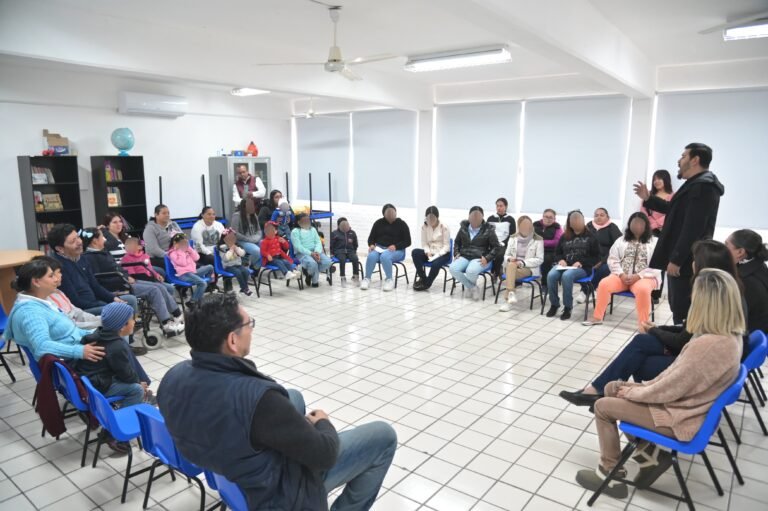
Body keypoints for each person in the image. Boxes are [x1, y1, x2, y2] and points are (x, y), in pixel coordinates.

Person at [157, 293, 397, 510]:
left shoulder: (173, 377)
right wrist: (324, 423)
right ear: (232, 340)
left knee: (294, 396)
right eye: (249, 324)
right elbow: (325, 455)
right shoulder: (260, 398)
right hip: (279, 493)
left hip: (227, 473)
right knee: (384, 436)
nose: (252, 329)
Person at [574, 268, 744, 498]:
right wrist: (635, 389)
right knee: (613, 387)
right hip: (688, 406)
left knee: (602, 406)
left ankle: (610, 474)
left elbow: (671, 388)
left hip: (682, 417)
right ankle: (649, 458)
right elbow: (675, 376)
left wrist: (634, 393)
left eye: (695, 294)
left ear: (706, 302)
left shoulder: (708, 345)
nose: (690, 298)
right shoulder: (726, 335)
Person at [560, 240, 747, 408]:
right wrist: (655, 329)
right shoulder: (727, 289)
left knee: (639, 361)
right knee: (642, 342)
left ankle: (611, 399)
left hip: (696, 364)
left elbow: (682, 340)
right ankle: (599, 392)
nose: (691, 263)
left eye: (695, 260)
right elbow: (688, 331)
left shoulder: (711, 296)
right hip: (696, 352)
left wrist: (655, 330)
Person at [634, 142, 724, 325]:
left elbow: (693, 227)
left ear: (695, 160)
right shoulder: (693, 184)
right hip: (682, 257)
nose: (679, 160)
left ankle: (679, 348)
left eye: (683, 156)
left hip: (686, 260)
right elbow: (673, 208)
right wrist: (648, 199)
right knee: (678, 305)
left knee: (682, 307)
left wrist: (677, 259)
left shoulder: (704, 186)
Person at [80, 228, 184, 336]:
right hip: (117, 286)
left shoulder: (103, 252)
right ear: (95, 241)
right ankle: (167, 324)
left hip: (124, 280)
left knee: (160, 286)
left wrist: (126, 276)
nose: (104, 239)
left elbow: (118, 268)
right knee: (154, 290)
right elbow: (99, 279)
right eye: (102, 236)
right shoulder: (89, 258)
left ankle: (177, 315)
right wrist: (123, 278)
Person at [4, 258, 105, 362]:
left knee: (115, 338)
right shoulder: (30, 312)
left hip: (80, 345)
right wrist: (79, 351)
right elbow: (42, 346)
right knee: (117, 347)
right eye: (51, 276)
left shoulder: (44, 301)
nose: (56, 279)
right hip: (73, 359)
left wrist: (96, 331)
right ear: (36, 282)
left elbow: (72, 329)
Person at [582, 213, 660, 328]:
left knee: (643, 289)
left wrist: (638, 276)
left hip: (645, 278)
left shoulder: (655, 242)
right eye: (635, 223)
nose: (637, 226)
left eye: (640, 223)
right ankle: (597, 317)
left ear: (646, 225)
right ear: (629, 225)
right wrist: (621, 274)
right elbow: (612, 259)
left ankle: (644, 324)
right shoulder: (621, 240)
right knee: (604, 284)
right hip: (621, 276)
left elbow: (658, 265)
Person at [73, 302, 155, 408]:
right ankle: (126, 415)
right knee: (136, 390)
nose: (134, 322)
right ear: (122, 326)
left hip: (89, 379)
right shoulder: (117, 346)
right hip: (96, 387)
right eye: (132, 319)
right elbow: (126, 374)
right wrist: (139, 383)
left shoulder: (96, 334)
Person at [47, 224, 138, 316]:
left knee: (130, 300)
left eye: (78, 237)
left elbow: (95, 286)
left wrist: (113, 298)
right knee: (119, 309)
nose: (79, 242)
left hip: (95, 301)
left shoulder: (81, 258)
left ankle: (127, 329)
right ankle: (118, 329)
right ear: (60, 249)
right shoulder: (57, 268)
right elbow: (74, 301)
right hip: (81, 310)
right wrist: (104, 304)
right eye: (73, 241)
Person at [545, 210, 600, 320]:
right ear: (569, 223)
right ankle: (554, 304)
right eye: (572, 221)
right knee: (551, 275)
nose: (575, 223)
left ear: (583, 221)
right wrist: (561, 260)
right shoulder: (565, 236)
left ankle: (567, 307)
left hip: (583, 268)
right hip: (565, 265)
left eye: (578, 220)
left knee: (567, 276)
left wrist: (581, 262)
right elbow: (557, 253)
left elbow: (596, 257)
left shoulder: (591, 237)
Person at [449, 206, 502, 301]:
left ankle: (469, 287)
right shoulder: (463, 227)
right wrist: (456, 252)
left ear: (482, 217)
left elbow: (496, 247)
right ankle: (471, 287)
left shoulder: (488, 229)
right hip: (464, 256)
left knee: (471, 271)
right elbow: (457, 242)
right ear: (469, 217)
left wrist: (487, 258)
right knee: (453, 268)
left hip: (480, 257)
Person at [39, 255, 101, 329]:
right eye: (58, 272)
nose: (61, 275)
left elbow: (77, 312)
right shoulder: (46, 301)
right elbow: (68, 326)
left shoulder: (59, 292)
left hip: (81, 325)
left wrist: (99, 320)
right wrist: (99, 324)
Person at [361, 204, 412, 292]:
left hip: (397, 250)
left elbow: (408, 241)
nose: (391, 216)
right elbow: (371, 238)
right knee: (371, 256)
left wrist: (396, 246)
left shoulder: (402, 224)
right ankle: (367, 278)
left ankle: (389, 280)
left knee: (385, 256)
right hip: (380, 248)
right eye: (388, 214)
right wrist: (372, 245)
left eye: (393, 213)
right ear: (384, 214)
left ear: (396, 213)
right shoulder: (378, 223)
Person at [726, 229, 768, 332]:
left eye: (726, 245)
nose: (723, 249)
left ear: (740, 252)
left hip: (746, 336)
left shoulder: (745, 282)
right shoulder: (760, 266)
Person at [499, 216, 544, 311]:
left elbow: (540, 259)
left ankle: (509, 297)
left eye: (528, 225)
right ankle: (511, 294)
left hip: (528, 268)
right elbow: (506, 255)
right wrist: (510, 258)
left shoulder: (538, 239)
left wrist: (523, 263)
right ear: (519, 226)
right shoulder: (512, 238)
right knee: (511, 265)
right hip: (513, 267)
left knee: (510, 270)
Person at [583, 208, 622, 302]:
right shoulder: (588, 226)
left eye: (601, 215)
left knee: (604, 268)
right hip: (591, 258)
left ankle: (586, 291)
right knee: (583, 267)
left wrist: (602, 261)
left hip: (607, 259)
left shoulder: (612, 227)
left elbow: (617, 247)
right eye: (596, 215)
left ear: (607, 217)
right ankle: (590, 290)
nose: (598, 217)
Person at [168, 233, 214, 306]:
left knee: (210, 267)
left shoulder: (187, 249)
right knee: (202, 283)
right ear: (176, 243)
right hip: (184, 274)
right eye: (182, 243)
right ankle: (192, 302)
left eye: (185, 243)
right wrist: (181, 251)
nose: (184, 245)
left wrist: (189, 249)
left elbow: (197, 258)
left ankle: (201, 290)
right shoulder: (173, 253)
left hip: (193, 272)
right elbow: (182, 263)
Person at [412, 206, 451, 292]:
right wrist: (427, 251)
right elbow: (424, 243)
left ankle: (427, 283)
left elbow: (447, 246)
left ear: (437, 217)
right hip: (430, 253)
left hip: (443, 253)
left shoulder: (444, 227)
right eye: (428, 218)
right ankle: (422, 277)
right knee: (415, 252)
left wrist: (437, 255)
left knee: (435, 264)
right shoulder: (424, 227)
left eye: (432, 218)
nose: (430, 220)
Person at [291, 213, 332, 288]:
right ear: (299, 222)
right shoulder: (295, 232)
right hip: (302, 254)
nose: (307, 221)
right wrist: (311, 254)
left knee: (328, 262)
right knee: (313, 264)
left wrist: (317, 252)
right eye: (305, 220)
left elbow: (318, 242)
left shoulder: (313, 229)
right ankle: (314, 281)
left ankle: (309, 274)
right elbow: (298, 247)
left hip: (315, 252)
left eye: (308, 220)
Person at [143, 204, 182, 269]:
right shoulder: (150, 229)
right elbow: (154, 250)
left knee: (193, 262)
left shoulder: (173, 224)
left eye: (168, 213)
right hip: (158, 257)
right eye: (164, 213)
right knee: (179, 265)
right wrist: (171, 256)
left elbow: (183, 239)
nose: (167, 215)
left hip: (176, 254)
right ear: (156, 215)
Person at [218, 228, 256, 295]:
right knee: (238, 272)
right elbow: (225, 259)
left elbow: (242, 254)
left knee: (246, 271)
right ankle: (245, 288)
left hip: (238, 264)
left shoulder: (236, 245)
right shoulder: (222, 247)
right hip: (228, 266)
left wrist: (237, 249)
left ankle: (243, 288)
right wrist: (231, 250)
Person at [534, 209, 563, 293]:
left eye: (551, 217)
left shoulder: (557, 227)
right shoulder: (535, 225)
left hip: (550, 251)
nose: (548, 219)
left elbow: (557, 242)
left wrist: (541, 242)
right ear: (542, 217)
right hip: (535, 249)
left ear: (554, 219)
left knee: (546, 260)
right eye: (546, 217)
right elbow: (530, 237)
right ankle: (518, 280)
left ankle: (545, 284)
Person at [487, 198, 516, 275]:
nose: (499, 208)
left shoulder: (510, 219)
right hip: (492, 242)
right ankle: (495, 269)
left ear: (506, 207)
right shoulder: (490, 218)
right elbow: (487, 233)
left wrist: (503, 243)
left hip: (504, 243)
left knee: (499, 254)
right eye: (497, 206)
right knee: (487, 253)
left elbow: (512, 235)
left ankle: (495, 272)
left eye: (501, 206)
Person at [230, 197, 262, 268]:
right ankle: (250, 265)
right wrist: (249, 239)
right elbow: (234, 232)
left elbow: (259, 230)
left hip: (254, 239)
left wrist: (256, 238)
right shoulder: (237, 216)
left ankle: (255, 267)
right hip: (242, 241)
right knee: (257, 251)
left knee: (267, 248)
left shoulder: (254, 216)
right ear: (244, 206)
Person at [642, 170, 674, 237]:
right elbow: (643, 212)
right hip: (649, 229)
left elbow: (672, 213)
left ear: (666, 179)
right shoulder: (648, 194)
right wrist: (651, 225)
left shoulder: (674, 196)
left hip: (665, 230)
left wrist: (656, 224)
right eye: (654, 180)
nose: (656, 181)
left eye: (659, 179)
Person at [330, 217, 360, 281]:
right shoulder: (334, 233)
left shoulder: (352, 233)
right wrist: (332, 253)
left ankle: (355, 275)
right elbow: (332, 245)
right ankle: (342, 276)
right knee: (342, 259)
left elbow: (355, 244)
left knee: (355, 258)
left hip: (350, 251)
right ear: (339, 225)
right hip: (339, 251)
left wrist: (354, 251)